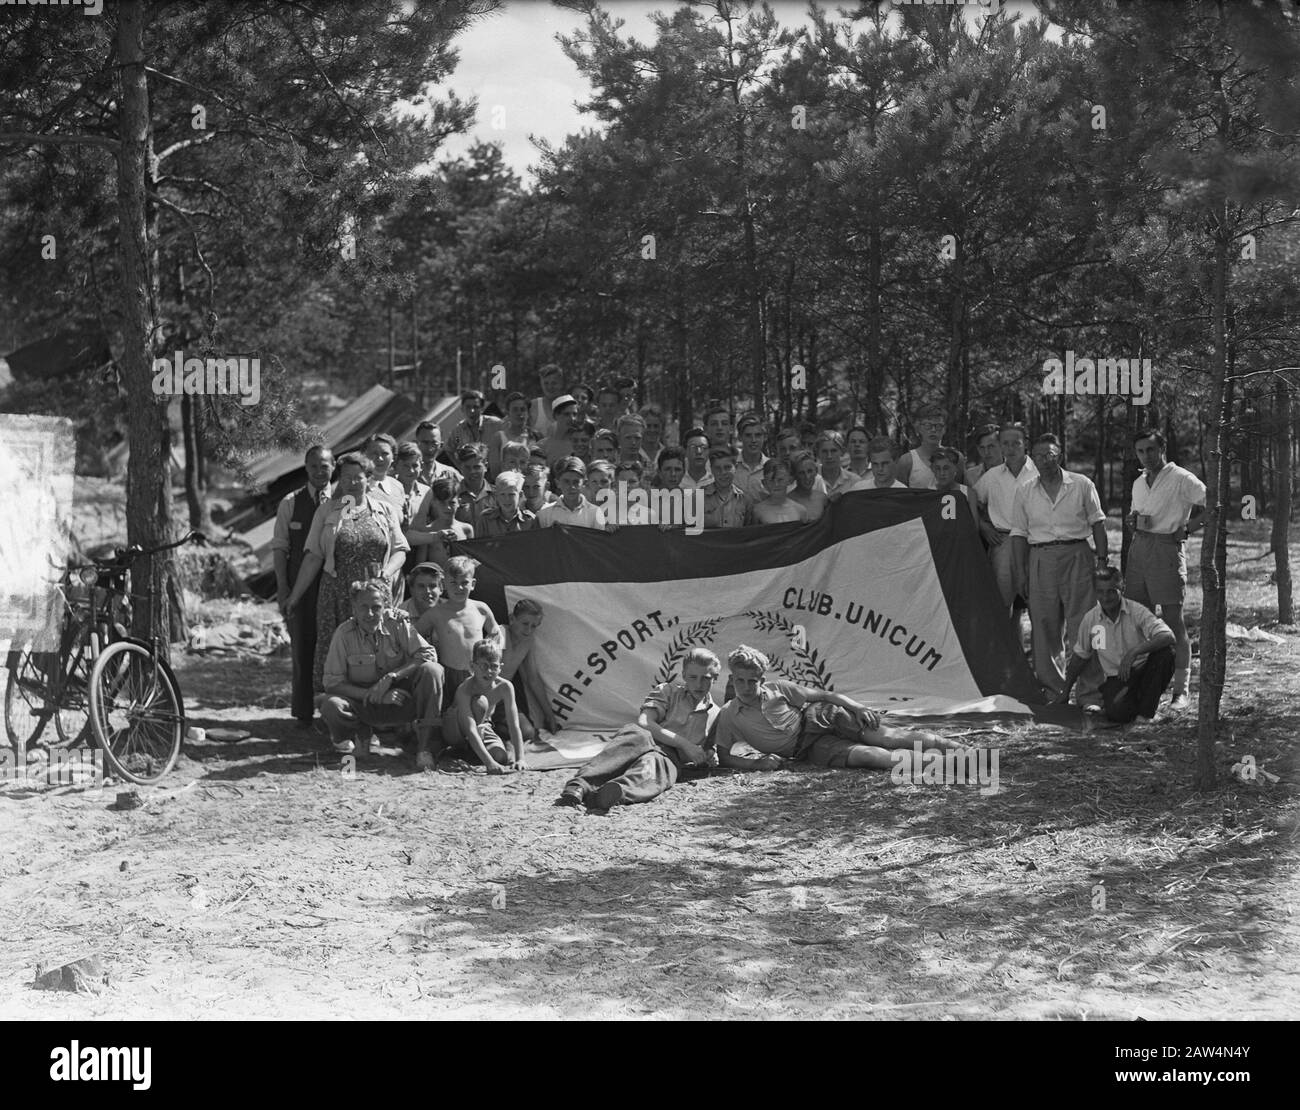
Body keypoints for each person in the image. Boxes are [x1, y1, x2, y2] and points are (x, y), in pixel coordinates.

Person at [715, 645, 966, 771]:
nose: (746, 687)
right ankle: (947, 765)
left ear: (761, 680)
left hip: (821, 717)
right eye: (740, 681)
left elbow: (825, 695)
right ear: (732, 679)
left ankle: (966, 753)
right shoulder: (729, 714)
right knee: (869, 756)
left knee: (888, 737)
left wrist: (857, 708)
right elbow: (724, 757)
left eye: (752, 681)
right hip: (806, 748)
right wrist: (757, 765)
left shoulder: (779, 688)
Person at [285, 452, 409, 696]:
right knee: (339, 652)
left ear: (368, 479)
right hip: (337, 594)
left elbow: (400, 550)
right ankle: (336, 713)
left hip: (376, 594)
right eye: (347, 477)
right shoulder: (327, 511)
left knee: (379, 648)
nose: (352, 482)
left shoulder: (384, 510)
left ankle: (379, 709)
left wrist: (386, 574)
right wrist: (295, 596)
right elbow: (313, 557)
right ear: (339, 480)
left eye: (358, 477)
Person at [558, 648, 723, 810]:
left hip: (667, 757)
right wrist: (685, 744)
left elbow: (709, 751)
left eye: (705, 678)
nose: (698, 684)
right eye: (693, 677)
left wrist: (708, 756)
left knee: (653, 772)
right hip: (646, 740)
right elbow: (645, 722)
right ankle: (579, 785)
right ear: (684, 675)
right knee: (636, 735)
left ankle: (610, 794)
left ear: (715, 678)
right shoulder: (668, 691)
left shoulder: (716, 714)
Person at [1010, 434, 1108, 696]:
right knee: (1044, 625)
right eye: (1039, 456)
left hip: (1078, 556)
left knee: (1086, 624)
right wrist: (1021, 572)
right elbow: (1019, 533)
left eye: (1050, 455)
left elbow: (1098, 523)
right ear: (1033, 458)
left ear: (1060, 456)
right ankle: (1054, 690)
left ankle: (1091, 691)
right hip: (1040, 558)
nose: (1044, 460)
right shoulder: (1025, 491)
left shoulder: (1081, 484)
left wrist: (1101, 562)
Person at [319, 578, 444, 758]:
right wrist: (375, 694)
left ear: (385, 606)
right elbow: (332, 683)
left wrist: (392, 677)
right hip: (363, 703)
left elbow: (428, 654)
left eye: (376, 607)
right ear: (353, 607)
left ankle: (425, 748)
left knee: (433, 670)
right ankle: (360, 738)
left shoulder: (397, 624)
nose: (370, 614)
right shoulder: (343, 634)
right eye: (363, 607)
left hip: (401, 699)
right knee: (332, 705)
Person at [1126, 429, 1206, 711]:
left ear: (1162, 448)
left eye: (1150, 449)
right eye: (1140, 451)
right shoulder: (1139, 482)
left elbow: (1212, 503)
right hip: (1139, 551)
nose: (1146, 456)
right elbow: (1139, 515)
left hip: (1167, 551)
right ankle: (1146, 686)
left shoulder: (1181, 478)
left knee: (1173, 621)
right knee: (1139, 620)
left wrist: (1187, 529)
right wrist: (1132, 521)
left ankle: (1180, 691)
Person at [1053, 566, 1176, 724]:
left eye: (1111, 591)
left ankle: (1144, 715)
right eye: (1100, 592)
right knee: (1117, 713)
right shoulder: (1090, 619)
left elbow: (1168, 636)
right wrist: (1066, 691)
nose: (1105, 597)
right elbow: (1080, 656)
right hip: (1118, 678)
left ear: (1122, 588)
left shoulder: (1137, 611)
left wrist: (1135, 652)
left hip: (1144, 670)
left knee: (1166, 654)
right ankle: (1136, 704)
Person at [417, 555, 500, 769]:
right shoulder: (436, 613)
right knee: (453, 722)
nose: (459, 587)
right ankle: (446, 742)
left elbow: (495, 630)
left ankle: (480, 738)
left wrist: (491, 648)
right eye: (453, 583)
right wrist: (425, 651)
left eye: (464, 582)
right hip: (450, 678)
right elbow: (413, 635)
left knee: (499, 754)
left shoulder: (480, 608)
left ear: (473, 584)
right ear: (444, 584)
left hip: (476, 677)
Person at [272, 444, 334, 726]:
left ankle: (335, 713)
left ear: (333, 467)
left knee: (335, 647)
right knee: (303, 646)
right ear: (305, 468)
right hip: (301, 588)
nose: (320, 471)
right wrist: (283, 588)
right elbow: (280, 548)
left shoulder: (343, 500)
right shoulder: (290, 503)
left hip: (333, 586)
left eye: (325, 466)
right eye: (314, 466)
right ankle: (303, 712)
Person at [975, 422, 1038, 616]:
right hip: (1003, 542)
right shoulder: (992, 476)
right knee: (1001, 605)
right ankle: (1003, 646)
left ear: (1025, 444)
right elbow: (969, 502)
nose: (1010, 449)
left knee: (1039, 603)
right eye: (1005, 444)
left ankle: (1040, 648)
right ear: (1001, 445)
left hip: (1035, 542)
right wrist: (983, 526)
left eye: (1015, 443)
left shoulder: (1039, 472)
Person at [442, 639, 525, 774]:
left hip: (482, 725)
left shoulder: (505, 687)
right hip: (456, 728)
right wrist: (489, 763)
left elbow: (513, 724)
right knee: (480, 702)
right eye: (483, 666)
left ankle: (471, 752)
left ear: (500, 667)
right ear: (472, 666)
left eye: (494, 666)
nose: (489, 671)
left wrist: (520, 758)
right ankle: (458, 749)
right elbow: (470, 728)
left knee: (500, 757)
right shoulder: (465, 689)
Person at [500, 598, 557, 741]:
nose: (529, 630)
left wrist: (548, 714)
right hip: (485, 696)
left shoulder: (528, 641)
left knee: (527, 733)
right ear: (512, 619)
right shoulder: (500, 634)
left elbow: (533, 678)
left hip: (503, 700)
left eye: (534, 626)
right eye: (525, 624)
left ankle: (498, 728)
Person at [405, 476, 473, 571]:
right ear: (434, 503)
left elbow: (471, 561)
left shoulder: (466, 529)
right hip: (437, 581)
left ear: (459, 502)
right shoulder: (428, 532)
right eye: (442, 503)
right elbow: (420, 565)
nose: (448, 508)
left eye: (452, 503)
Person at [894, 405, 965, 490]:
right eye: (928, 425)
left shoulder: (957, 458)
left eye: (938, 426)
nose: (933, 430)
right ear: (919, 428)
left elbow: (961, 494)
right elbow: (899, 496)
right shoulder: (907, 461)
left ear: (944, 429)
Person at [537, 456, 607, 530]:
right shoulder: (544, 514)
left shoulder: (595, 513)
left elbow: (597, 540)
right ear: (557, 483)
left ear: (584, 483)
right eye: (566, 481)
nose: (572, 487)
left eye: (576, 482)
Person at [488, 391, 537, 477]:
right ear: (508, 413)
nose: (519, 413)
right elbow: (494, 472)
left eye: (523, 409)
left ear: (528, 413)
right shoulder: (498, 438)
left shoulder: (535, 436)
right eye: (515, 410)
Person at [702, 445, 753, 528]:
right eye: (717, 468)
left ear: (735, 467)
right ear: (711, 469)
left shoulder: (745, 500)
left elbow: (748, 533)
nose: (723, 472)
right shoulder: (697, 498)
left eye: (727, 467)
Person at [476, 470, 538, 537]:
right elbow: (479, 545)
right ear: (496, 495)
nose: (507, 499)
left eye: (511, 494)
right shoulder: (486, 519)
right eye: (502, 494)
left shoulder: (530, 520)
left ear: (520, 495)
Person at [930, 447, 980, 528]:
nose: (942, 473)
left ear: (955, 468)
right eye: (938, 468)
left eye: (946, 468)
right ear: (932, 469)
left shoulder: (969, 493)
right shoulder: (927, 493)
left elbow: (974, 528)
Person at [448, 389, 503, 459]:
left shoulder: (496, 424)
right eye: (468, 407)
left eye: (476, 407)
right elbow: (449, 450)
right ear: (462, 409)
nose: (472, 410)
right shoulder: (458, 431)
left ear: (482, 408)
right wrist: (460, 467)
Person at [752, 458, 808, 524]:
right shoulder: (758, 511)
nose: (776, 484)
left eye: (780, 480)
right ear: (764, 483)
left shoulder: (800, 510)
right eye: (771, 480)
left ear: (789, 480)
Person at [452, 444, 492, 533]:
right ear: (460, 467)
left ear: (485, 466)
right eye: (467, 467)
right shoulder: (452, 495)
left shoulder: (499, 495)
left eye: (477, 467)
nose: (472, 472)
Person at [362, 433, 405, 514]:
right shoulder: (356, 487)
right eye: (374, 453)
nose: (380, 458)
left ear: (393, 457)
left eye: (385, 453)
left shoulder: (398, 487)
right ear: (364, 455)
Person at [735, 414, 770, 502]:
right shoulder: (730, 466)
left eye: (758, 435)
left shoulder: (771, 467)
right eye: (748, 435)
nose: (753, 440)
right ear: (740, 437)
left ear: (764, 437)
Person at [788, 450, 829, 522]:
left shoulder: (822, 498)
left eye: (810, 471)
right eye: (801, 473)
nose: (807, 477)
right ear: (795, 475)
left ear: (816, 471)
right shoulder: (788, 501)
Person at [414, 421, 459, 487]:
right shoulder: (407, 475)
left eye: (434, 443)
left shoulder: (450, 474)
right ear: (416, 444)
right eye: (425, 443)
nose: (430, 448)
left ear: (441, 445)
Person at [540, 394, 579, 466]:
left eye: (574, 414)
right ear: (555, 416)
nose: (572, 418)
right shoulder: (542, 446)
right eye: (567, 414)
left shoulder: (582, 443)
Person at [816, 431, 856, 500]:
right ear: (818, 454)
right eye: (824, 451)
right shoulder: (810, 480)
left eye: (833, 451)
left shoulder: (854, 481)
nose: (829, 456)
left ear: (842, 452)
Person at [530, 364, 567, 440]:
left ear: (561, 383)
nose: (550, 387)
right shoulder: (532, 406)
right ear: (541, 384)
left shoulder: (571, 407)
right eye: (546, 383)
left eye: (554, 383)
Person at [966, 423, 1002, 488]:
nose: (986, 452)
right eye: (982, 448)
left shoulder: (1016, 473)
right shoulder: (970, 476)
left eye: (991, 446)